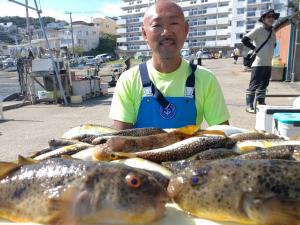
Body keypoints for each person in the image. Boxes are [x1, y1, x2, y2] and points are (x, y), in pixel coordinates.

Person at [109, 0, 230, 130]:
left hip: (191, 151)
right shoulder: (128, 80)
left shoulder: (205, 78)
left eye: (173, 23)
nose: (166, 32)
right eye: (157, 25)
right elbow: (121, 140)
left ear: (186, 30)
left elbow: (222, 134)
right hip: (141, 151)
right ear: (144, 34)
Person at [242, 9, 279, 113]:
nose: (271, 18)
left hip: (268, 63)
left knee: (264, 84)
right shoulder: (258, 29)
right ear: (263, 19)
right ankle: (249, 105)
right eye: (269, 16)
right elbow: (245, 40)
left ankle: (260, 103)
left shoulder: (273, 30)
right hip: (258, 63)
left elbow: (274, 44)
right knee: (254, 84)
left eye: (273, 17)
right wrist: (254, 48)